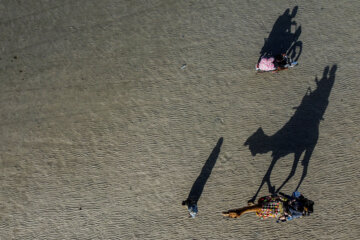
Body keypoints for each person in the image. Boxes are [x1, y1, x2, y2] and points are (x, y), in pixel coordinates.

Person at [223, 191, 314, 223]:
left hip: (279, 208)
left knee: (261, 208)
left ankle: (240, 212)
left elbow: (290, 216)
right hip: (280, 206)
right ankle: (241, 211)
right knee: (261, 205)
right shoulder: (299, 204)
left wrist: (283, 218)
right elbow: (295, 194)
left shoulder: (299, 212)